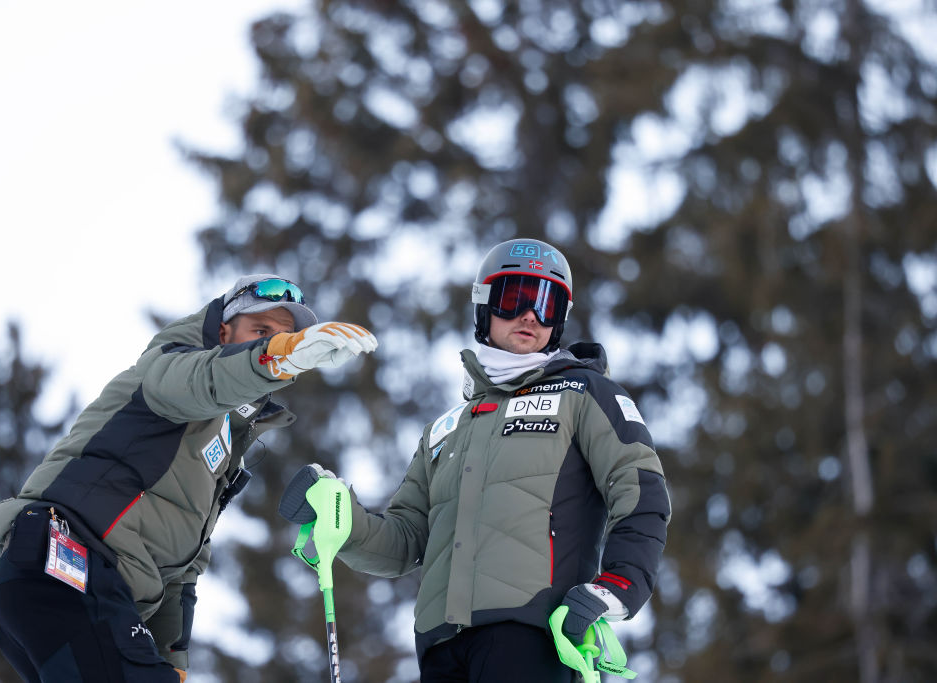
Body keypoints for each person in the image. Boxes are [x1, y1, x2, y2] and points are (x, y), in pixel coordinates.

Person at [279, 238, 671, 682]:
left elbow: (640, 491)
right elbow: (407, 540)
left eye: (546, 304)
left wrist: (617, 587)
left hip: (531, 634)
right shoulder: (446, 429)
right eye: (515, 298)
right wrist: (342, 519)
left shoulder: (584, 395)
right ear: (484, 306)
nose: (530, 315)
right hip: (441, 647)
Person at [0, 274, 377, 682]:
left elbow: (183, 565)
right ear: (223, 330)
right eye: (260, 331)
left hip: (96, 595)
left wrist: (173, 659)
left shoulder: (223, 443)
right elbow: (201, 380)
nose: (270, 341)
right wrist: (278, 356)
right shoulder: (169, 368)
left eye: (284, 336)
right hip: (65, 563)